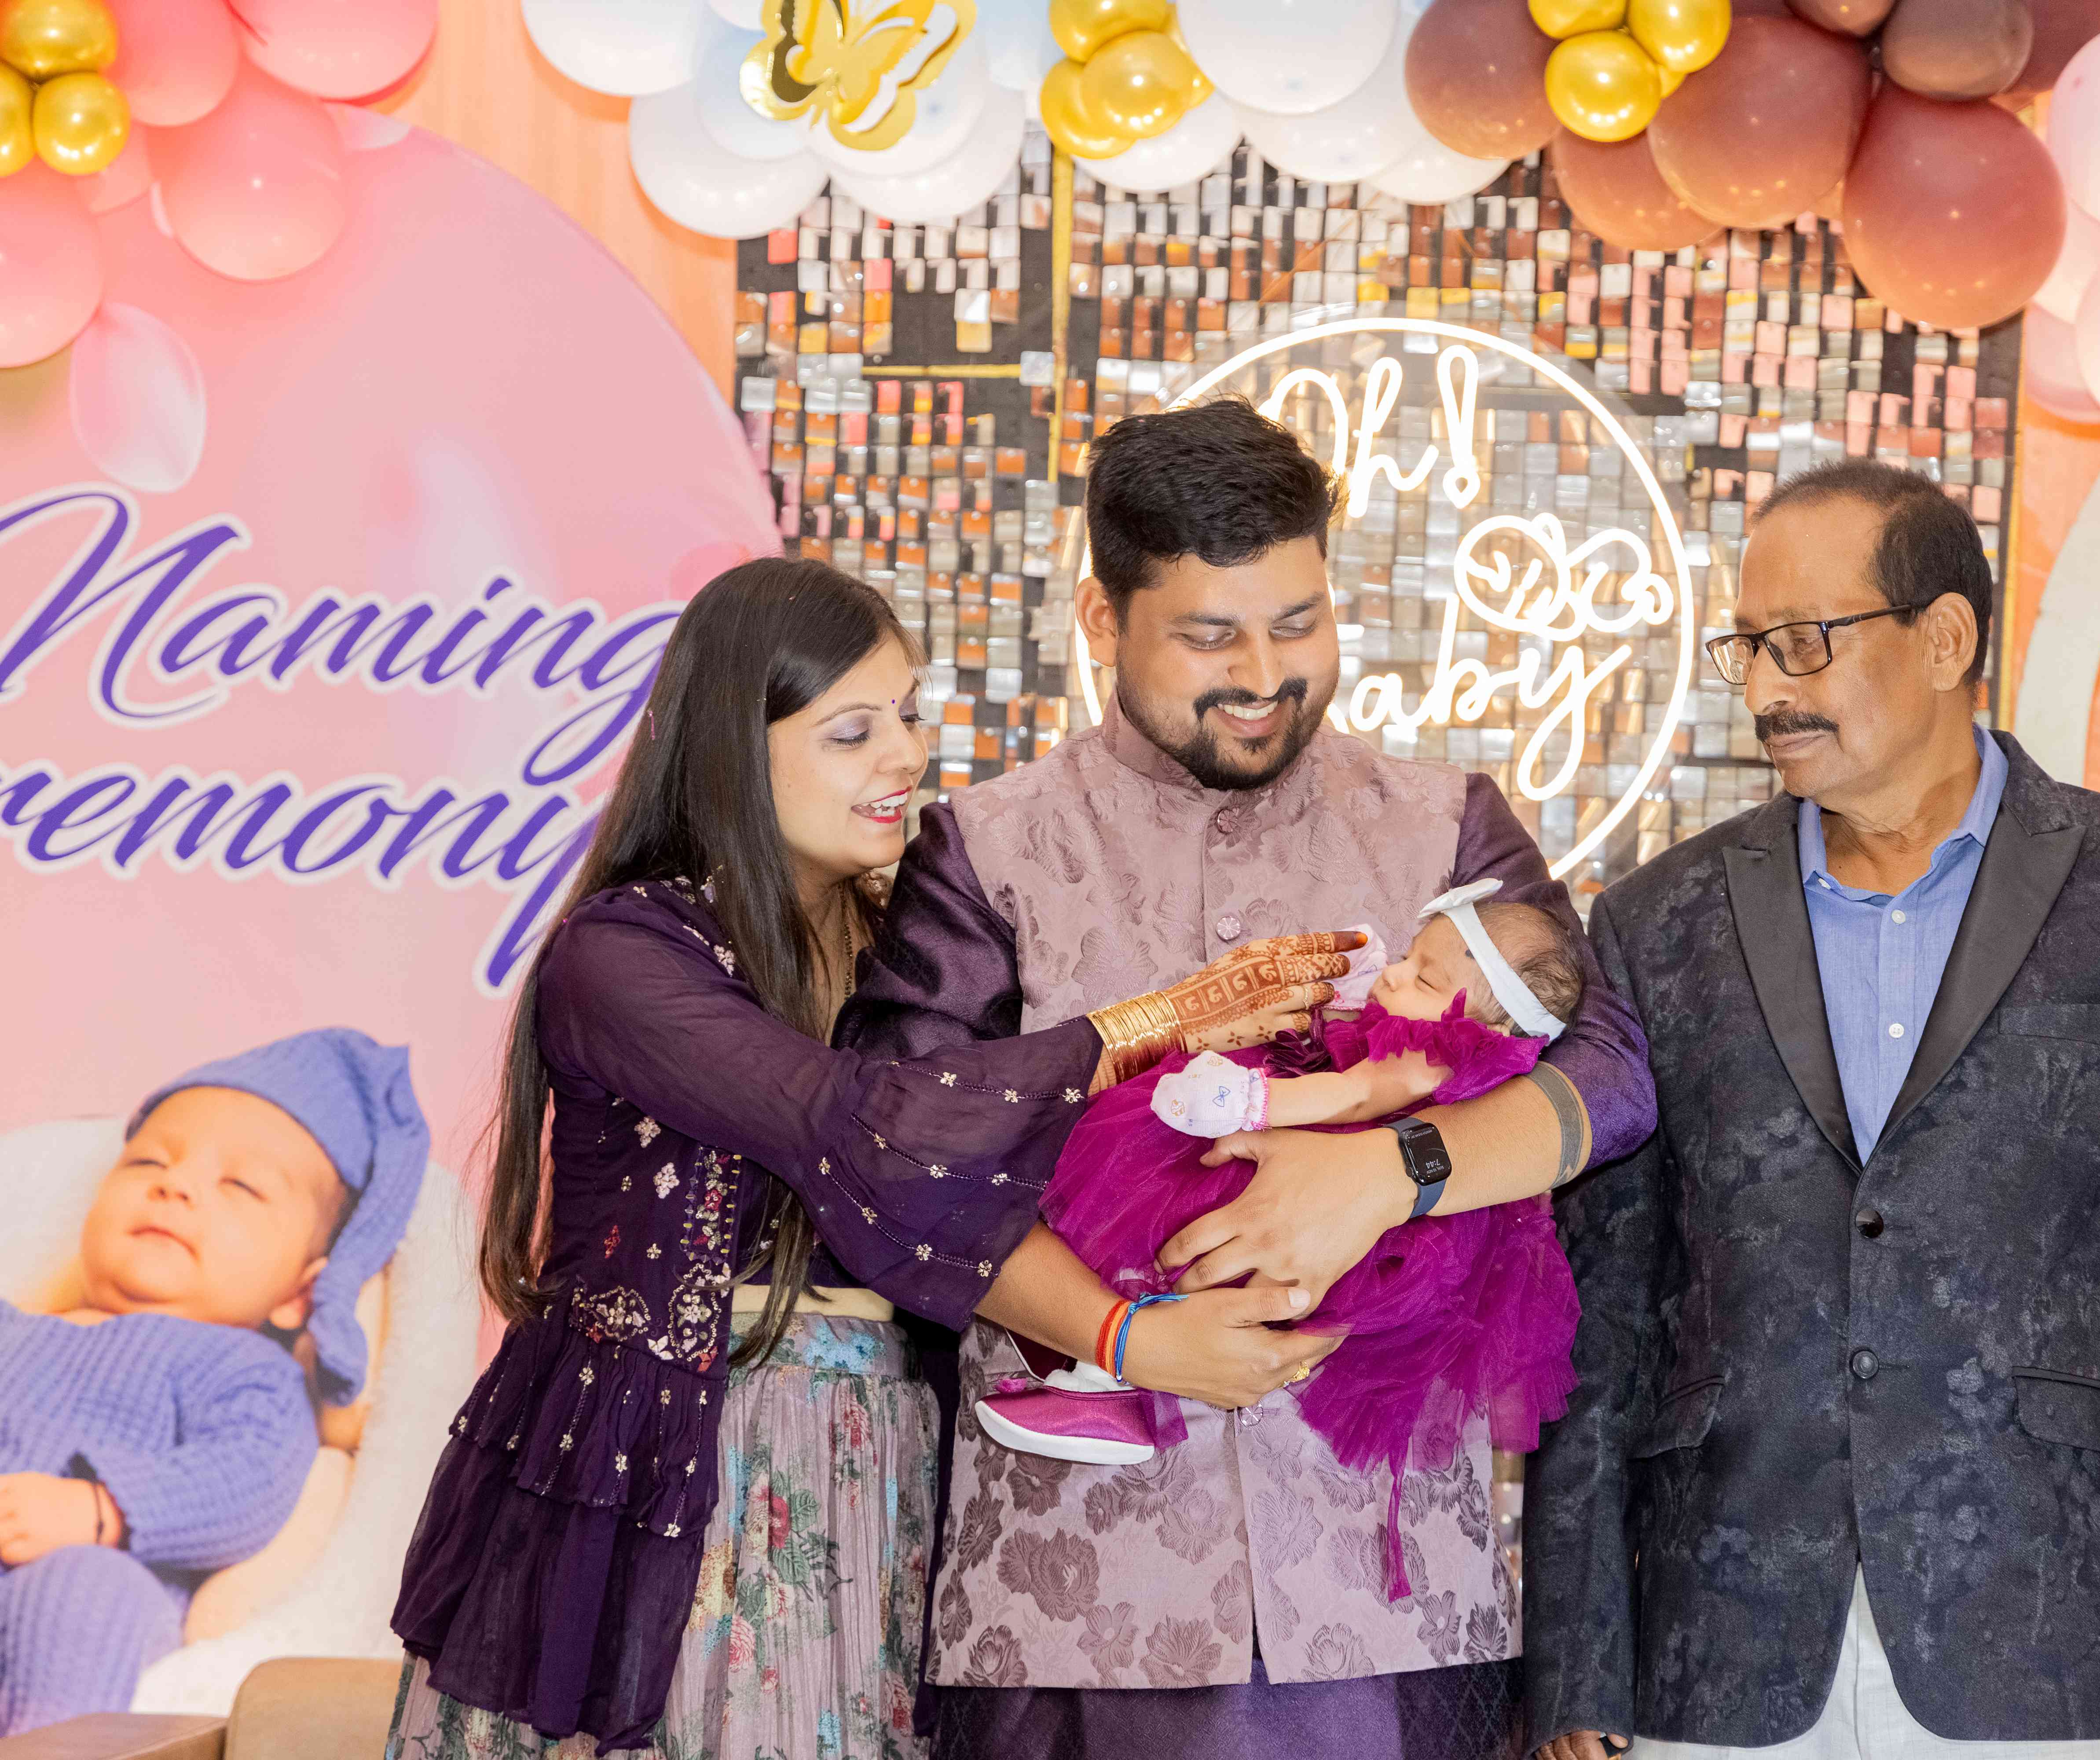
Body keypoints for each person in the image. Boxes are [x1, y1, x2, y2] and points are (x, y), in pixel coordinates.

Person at [383, 558, 1353, 1758]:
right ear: (734, 751)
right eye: (853, 733)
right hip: (668, 1477)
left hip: (880, 1466)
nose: (905, 756)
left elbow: (1025, 1176)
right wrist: (1160, 1020)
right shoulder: (622, 955)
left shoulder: (917, 943)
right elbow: (858, 1123)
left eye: (906, 715)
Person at [854, 400, 1655, 1760]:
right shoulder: (988, 850)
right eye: (1211, 638)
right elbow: (902, 1167)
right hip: (1080, 1601)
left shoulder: (1445, 824)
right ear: (1103, 622)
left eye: (1299, 624)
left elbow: (1612, 1072)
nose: (1266, 675)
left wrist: (1389, 1173)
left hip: (1392, 1595)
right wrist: (1126, 1340)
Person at [1526, 459, 2100, 1760]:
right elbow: (1602, 1313)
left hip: (2053, 1635)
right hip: (1721, 1646)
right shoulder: (1661, 923)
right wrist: (1577, 1666)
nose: (1766, 690)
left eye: (1804, 642)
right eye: (1749, 648)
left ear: (1944, 639)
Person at [978, 882, 1588, 1606]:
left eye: (1423, 980)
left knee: (1173, 1209)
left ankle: (1114, 1387)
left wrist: (1248, 1101)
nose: (1397, 977)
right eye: (1410, 959)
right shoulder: (1441, 1039)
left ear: (1490, 1022)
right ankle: (1109, 1372)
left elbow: (1351, 1096)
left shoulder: (1435, 1054)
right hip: (1341, 1197)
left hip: (1352, 1210)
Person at [0, 1028, 425, 1735]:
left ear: (300, 1294)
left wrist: (102, 1510)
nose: (175, 1185)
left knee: (86, 1596)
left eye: (240, 1186)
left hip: (89, 1566)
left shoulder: (248, 1373)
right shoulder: (16, 1327)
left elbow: (245, 1477)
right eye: (147, 1162)